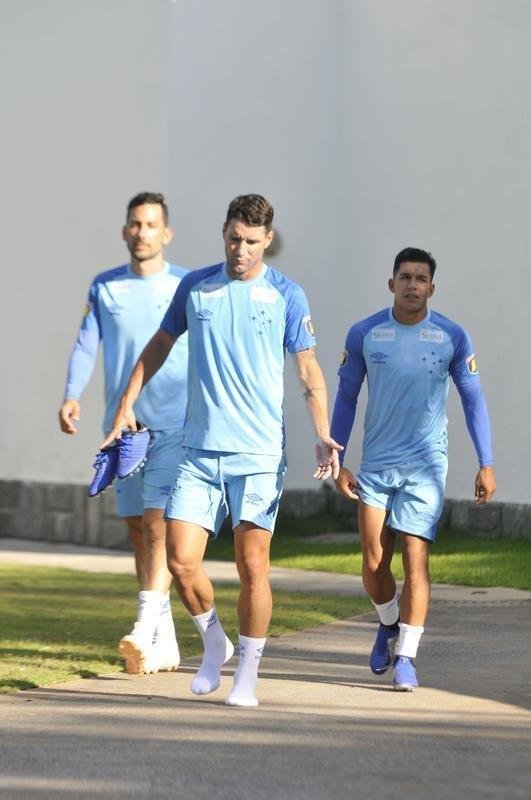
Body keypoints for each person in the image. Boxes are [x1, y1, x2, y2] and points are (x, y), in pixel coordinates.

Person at [102, 193, 341, 706]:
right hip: (199, 450)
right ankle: (215, 641)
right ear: (223, 232)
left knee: (252, 565)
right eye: (234, 238)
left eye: (252, 242)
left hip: (256, 454)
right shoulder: (197, 287)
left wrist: (322, 430)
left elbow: (308, 370)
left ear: (267, 241)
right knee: (182, 561)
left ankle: (247, 675)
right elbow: (159, 345)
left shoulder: (287, 296)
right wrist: (127, 403)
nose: (241, 250)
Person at [330, 247, 496, 691]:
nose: (412, 286)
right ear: (391, 284)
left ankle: (406, 657)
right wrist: (337, 457)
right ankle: (387, 624)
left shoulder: (452, 336)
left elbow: (472, 399)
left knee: (415, 561)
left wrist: (486, 463)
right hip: (377, 464)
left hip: (426, 466)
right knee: (372, 560)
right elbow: (346, 397)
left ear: (431, 288)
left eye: (421, 279)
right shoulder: (365, 333)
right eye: (405, 277)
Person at [59, 192, 188, 675]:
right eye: (135, 224)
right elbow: (86, 343)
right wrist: (73, 394)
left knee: (157, 527)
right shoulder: (105, 287)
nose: (141, 233)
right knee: (138, 531)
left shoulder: (185, 287)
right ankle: (165, 640)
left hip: (173, 424)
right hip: (123, 428)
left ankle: (142, 630)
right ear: (125, 231)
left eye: (151, 225)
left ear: (166, 233)